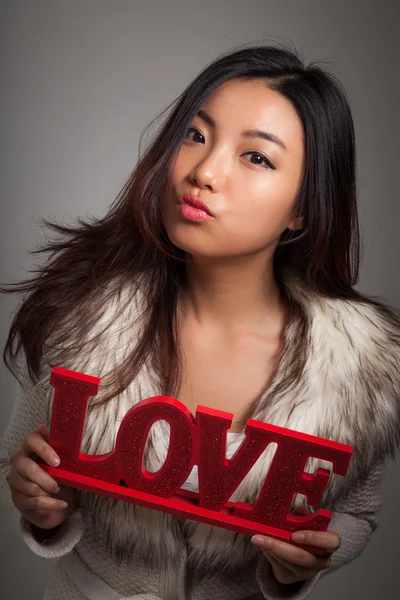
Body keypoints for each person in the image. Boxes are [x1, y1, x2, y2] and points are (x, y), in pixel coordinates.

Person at [1, 42, 399, 600]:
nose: (205, 171)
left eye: (256, 156)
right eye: (196, 135)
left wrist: (304, 562)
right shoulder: (81, 316)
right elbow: (20, 461)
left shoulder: (363, 365)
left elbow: (355, 512)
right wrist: (40, 507)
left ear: (302, 208)